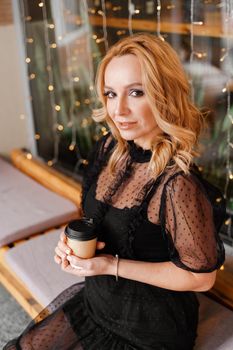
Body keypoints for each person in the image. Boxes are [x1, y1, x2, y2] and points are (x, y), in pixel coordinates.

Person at [4, 33, 225, 350]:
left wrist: (110, 265)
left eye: (136, 92)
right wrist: (69, 242)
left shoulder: (177, 183)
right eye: (110, 94)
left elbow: (201, 278)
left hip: (148, 328)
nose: (118, 109)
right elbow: (95, 222)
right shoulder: (110, 149)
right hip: (99, 301)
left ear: (164, 95)